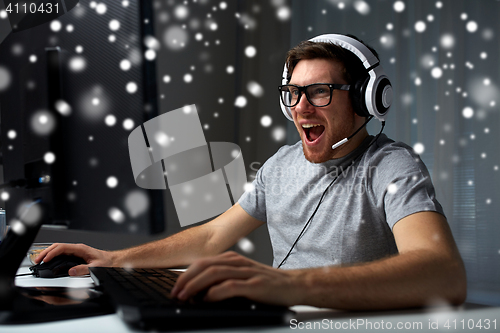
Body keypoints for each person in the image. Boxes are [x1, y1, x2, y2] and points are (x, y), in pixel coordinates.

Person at [36, 34, 466, 310]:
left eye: (319, 92)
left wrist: (290, 285)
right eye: (293, 94)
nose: (301, 107)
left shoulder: (392, 165)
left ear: (365, 100)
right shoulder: (280, 164)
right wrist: (114, 261)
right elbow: (210, 238)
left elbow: (442, 273)